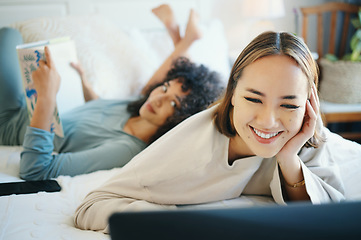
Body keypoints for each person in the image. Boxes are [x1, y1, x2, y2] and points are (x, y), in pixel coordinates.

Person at [74, 31, 348, 233]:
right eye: (254, 99)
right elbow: (91, 206)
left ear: (308, 105)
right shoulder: (189, 145)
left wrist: (289, 160)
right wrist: (170, 224)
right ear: (232, 96)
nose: (269, 121)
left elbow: (332, 218)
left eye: (288, 104)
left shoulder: (303, 131)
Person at [0, 5, 223, 180]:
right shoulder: (138, 109)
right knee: (10, 34)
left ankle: (184, 40)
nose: (159, 98)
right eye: (164, 88)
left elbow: (35, 170)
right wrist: (84, 83)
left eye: (173, 104)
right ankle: (183, 41)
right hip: (29, 105)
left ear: (179, 121)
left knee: (6, 35)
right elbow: (100, 111)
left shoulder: (125, 149)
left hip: (9, 123)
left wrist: (47, 97)